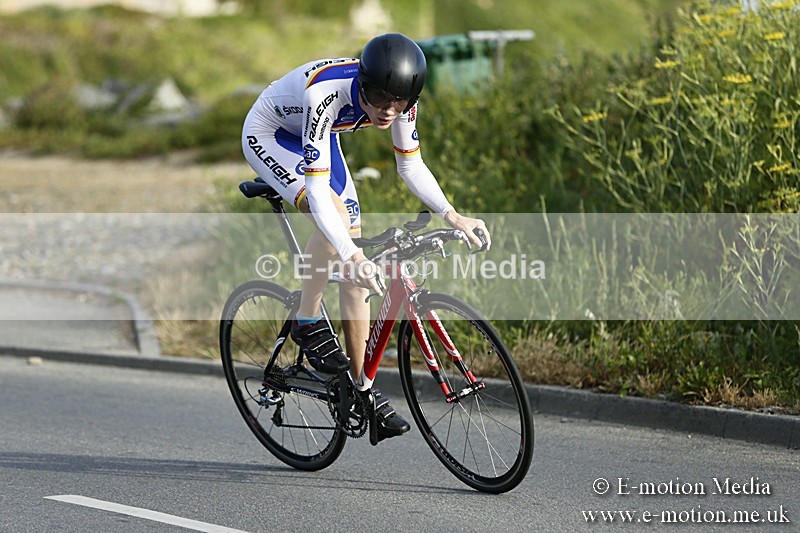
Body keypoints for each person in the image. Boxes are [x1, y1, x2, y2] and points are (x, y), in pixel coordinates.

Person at [242, 33, 490, 443]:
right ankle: (307, 319)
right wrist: (350, 253)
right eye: (377, 97)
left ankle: (362, 390)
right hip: (270, 132)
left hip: (317, 137)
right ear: (362, 82)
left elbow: (411, 167)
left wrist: (453, 214)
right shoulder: (326, 92)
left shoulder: (401, 100)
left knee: (359, 279)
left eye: (399, 102)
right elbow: (318, 190)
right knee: (337, 225)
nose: (387, 110)